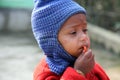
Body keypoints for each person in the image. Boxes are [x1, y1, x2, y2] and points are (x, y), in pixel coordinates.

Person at [31, 0, 110, 80]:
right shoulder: (45, 73)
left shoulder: (92, 66)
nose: (83, 37)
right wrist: (79, 72)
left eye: (84, 30)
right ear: (52, 42)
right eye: (73, 32)